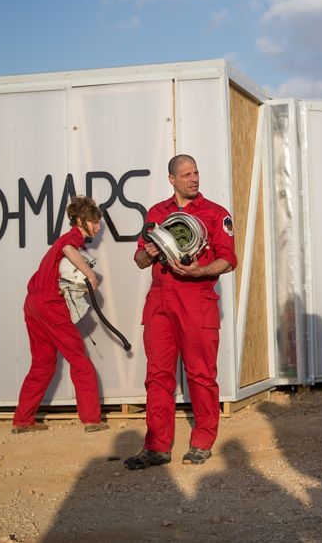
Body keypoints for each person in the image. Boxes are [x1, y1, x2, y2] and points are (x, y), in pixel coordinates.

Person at [124, 155, 237, 470]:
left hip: (195, 298)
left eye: (196, 173)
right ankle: (157, 447)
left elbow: (228, 260)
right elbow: (139, 260)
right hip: (159, 301)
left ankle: (202, 442)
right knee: (157, 376)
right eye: (186, 174)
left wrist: (200, 272)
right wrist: (147, 253)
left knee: (201, 374)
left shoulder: (216, 214)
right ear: (171, 179)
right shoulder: (157, 213)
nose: (194, 179)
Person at [12, 196, 108, 433]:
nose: (97, 227)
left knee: (42, 363)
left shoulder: (70, 242)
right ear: (79, 221)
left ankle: (22, 420)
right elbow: (67, 249)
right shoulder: (71, 239)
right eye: (93, 222)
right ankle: (92, 419)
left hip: (33, 303)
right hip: (49, 303)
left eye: (98, 223)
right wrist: (90, 275)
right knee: (80, 360)